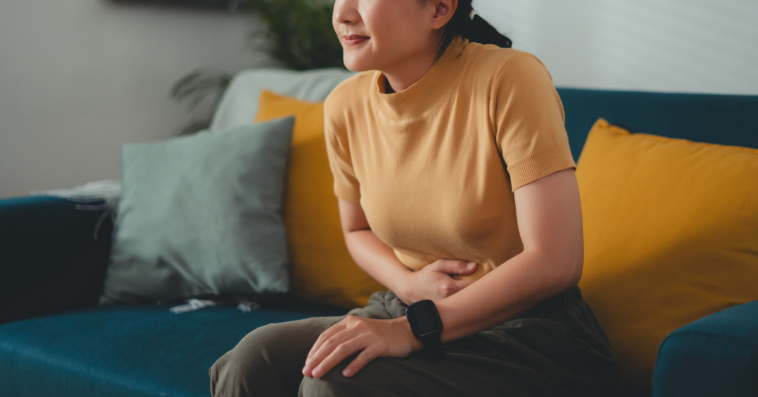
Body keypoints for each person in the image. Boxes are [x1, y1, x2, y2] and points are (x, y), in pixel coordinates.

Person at [210, 0, 622, 395]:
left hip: (525, 329)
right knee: (250, 361)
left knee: (334, 382)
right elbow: (357, 229)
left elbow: (556, 261)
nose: (343, 13)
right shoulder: (344, 106)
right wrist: (409, 285)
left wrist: (412, 329)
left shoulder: (510, 78)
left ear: (440, 9)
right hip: (409, 306)